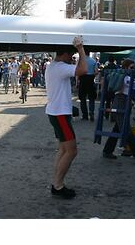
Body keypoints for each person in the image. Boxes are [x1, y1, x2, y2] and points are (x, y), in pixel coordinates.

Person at [45, 37, 87, 199]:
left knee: (63, 149)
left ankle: (56, 183)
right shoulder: (60, 67)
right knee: (71, 150)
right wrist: (81, 48)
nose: (72, 59)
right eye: (71, 55)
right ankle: (57, 185)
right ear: (65, 54)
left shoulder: (53, 66)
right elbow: (83, 70)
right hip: (60, 114)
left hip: (56, 113)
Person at [102, 59, 135, 160]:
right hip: (120, 101)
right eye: (131, 67)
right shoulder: (125, 77)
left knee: (118, 128)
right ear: (125, 67)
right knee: (125, 129)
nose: (133, 69)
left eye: (133, 68)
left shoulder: (126, 76)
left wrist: (132, 104)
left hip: (123, 101)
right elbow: (132, 87)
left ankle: (108, 151)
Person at [78, 49, 98, 121]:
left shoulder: (80, 61)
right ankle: (91, 112)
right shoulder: (93, 61)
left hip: (83, 79)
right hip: (90, 80)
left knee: (82, 98)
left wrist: (77, 81)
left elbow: (77, 71)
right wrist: (92, 75)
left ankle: (85, 115)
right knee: (91, 98)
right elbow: (96, 72)